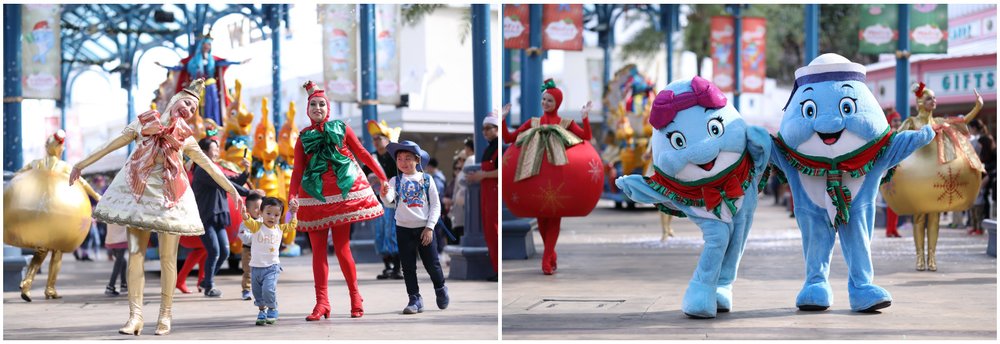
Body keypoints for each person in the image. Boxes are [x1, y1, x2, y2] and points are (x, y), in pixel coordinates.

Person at [70, 78, 246, 336]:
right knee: (135, 253)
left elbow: (209, 166)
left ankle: (165, 316)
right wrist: (81, 164)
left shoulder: (185, 137)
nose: (188, 109)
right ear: (174, 101)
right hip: (138, 193)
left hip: (169, 197)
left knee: (167, 258)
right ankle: (135, 317)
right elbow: (111, 145)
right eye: (186, 102)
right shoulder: (143, 123)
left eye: (193, 108)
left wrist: (233, 191)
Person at [289, 81, 389, 321]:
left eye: (322, 104)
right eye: (313, 104)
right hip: (314, 196)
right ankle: (322, 302)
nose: (318, 108)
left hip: (344, 194)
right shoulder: (303, 137)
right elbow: (297, 171)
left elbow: (363, 153)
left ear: (328, 107)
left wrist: (383, 177)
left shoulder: (341, 128)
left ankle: (355, 296)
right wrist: (291, 197)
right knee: (318, 253)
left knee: (343, 249)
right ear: (307, 109)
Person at [500, 79, 599, 275]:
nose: (545, 103)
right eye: (544, 99)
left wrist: (585, 117)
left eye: (550, 101)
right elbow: (509, 138)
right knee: (543, 222)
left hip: (559, 181)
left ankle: (546, 260)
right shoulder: (533, 122)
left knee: (553, 220)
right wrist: (502, 120)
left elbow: (586, 136)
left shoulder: (566, 123)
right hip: (535, 181)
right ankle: (551, 254)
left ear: (557, 104)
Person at [897, 83, 983, 271]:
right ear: (920, 102)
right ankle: (920, 256)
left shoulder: (938, 122)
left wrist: (977, 107)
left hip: (934, 176)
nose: (933, 101)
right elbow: (896, 139)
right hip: (915, 177)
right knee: (919, 217)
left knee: (934, 217)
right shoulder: (912, 122)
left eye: (935, 98)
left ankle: (932, 257)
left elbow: (961, 123)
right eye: (929, 98)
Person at [15, 130, 102, 302]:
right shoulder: (65, 167)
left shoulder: (35, 164)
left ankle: (27, 281)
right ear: (58, 148)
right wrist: (96, 196)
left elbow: (18, 176)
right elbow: (82, 182)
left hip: (39, 215)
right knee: (57, 251)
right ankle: (50, 288)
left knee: (40, 252)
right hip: (59, 216)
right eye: (62, 146)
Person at [381, 141, 450, 314]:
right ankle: (415, 298)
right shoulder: (394, 180)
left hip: (424, 229)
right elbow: (390, 202)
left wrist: (430, 228)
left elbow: (435, 205)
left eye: (408, 158)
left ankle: (440, 288)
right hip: (403, 229)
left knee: (432, 265)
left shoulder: (427, 179)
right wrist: (384, 194)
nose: (403, 162)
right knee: (408, 267)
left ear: (417, 160)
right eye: (400, 158)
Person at [192, 137, 253, 297]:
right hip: (206, 216)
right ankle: (209, 286)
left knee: (224, 252)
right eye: (214, 148)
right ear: (204, 152)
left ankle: (207, 280)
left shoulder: (214, 168)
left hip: (218, 215)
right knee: (214, 251)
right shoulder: (202, 170)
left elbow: (233, 180)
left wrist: (246, 171)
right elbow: (224, 184)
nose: (217, 151)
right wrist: (249, 192)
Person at [155, 35, 249, 125]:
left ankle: (213, 124)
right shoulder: (193, 61)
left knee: (212, 106)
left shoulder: (212, 60)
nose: (207, 46)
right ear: (201, 45)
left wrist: (239, 62)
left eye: (209, 44)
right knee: (194, 107)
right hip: (196, 88)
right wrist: (164, 66)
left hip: (211, 87)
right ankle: (195, 123)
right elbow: (179, 68)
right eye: (205, 44)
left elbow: (225, 62)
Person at [239, 196, 299, 325]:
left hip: (272, 267)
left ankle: (272, 308)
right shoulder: (257, 226)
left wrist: (293, 213)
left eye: (277, 215)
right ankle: (262, 311)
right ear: (260, 213)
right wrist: (244, 214)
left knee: (268, 289)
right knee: (257, 292)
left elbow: (292, 225)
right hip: (255, 267)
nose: (272, 217)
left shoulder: (279, 229)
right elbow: (248, 221)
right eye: (268, 213)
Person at [366, 119, 403, 280]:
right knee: (379, 233)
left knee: (392, 232)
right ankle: (387, 266)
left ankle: (397, 267)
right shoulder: (371, 158)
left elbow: (401, 176)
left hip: (393, 201)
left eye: (378, 138)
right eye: (374, 138)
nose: (375, 141)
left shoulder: (395, 157)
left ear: (387, 139)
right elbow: (362, 176)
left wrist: (382, 180)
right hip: (376, 202)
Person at [469, 111, 501, 276]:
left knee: (494, 230)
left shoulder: (500, 147)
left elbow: (502, 171)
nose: (485, 132)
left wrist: (483, 175)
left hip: (494, 192)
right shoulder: (489, 148)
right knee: (489, 230)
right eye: (483, 129)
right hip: (487, 192)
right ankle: (495, 268)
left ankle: (498, 270)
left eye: (488, 128)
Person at [238, 191, 266, 300]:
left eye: (260, 207)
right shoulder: (245, 223)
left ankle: (261, 290)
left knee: (263, 271)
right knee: (248, 271)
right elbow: (242, 236)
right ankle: (246, 290)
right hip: (248, 251)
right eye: (255, 207)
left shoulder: (264, 221)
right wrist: (256, 237)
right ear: (248, 209)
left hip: (262, 251)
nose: (258, 210)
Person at [882, 109, 903, 238]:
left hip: (899, 171)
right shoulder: (888, 134)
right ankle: (890, 229)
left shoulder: (899, 132)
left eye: (899, 120)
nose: (898, 122)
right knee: (891, 201)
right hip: (889, 170)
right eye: (895, 120)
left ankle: (893, 228)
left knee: (897, 201)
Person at [105, 223, 128, 296]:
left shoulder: (109, 211)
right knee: (118, 263)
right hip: (120, 240)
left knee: (123, 262)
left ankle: (123, 285)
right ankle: (110, 287)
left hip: (111, 240)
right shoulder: (123, 211)